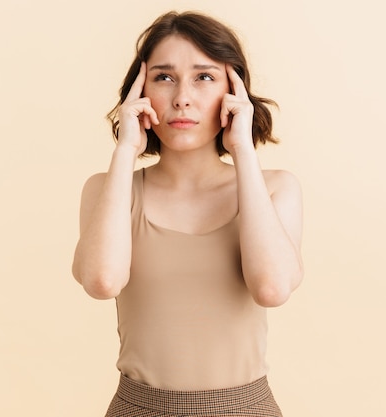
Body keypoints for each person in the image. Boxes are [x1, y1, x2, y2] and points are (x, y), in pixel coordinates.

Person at [72, 10, 303, 417]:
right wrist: (125, 149)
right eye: (163, 77)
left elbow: (271, 288)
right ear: (139, 92)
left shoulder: (275, 188)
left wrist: (243, 148)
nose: (182, 97)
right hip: (138, 408)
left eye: (204, 77)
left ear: (234, 92)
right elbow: (102, 281)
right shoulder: (108, 189)